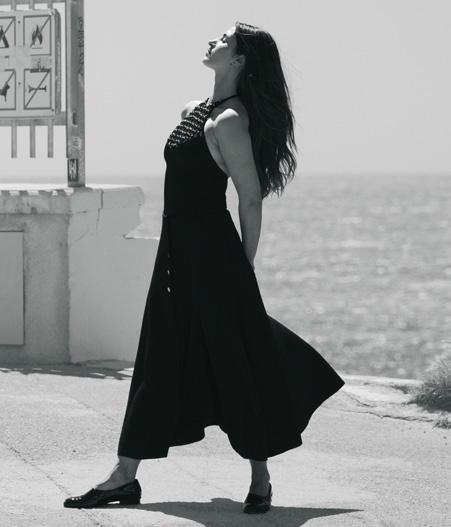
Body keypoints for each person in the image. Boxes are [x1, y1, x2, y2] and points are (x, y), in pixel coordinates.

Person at [64, 21, 345, 514]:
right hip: (177, 249)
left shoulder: (230, 121)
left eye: (224, 39)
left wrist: (244, 266)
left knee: (235, 358)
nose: (213, 41)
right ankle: (124, 476)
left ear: (238, 60)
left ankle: (261, 479)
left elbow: (250, 198)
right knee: (158, 356)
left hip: (214, 255)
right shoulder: (194, 111)